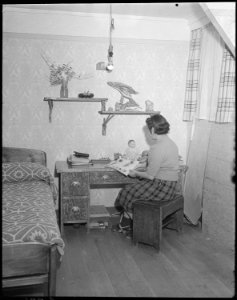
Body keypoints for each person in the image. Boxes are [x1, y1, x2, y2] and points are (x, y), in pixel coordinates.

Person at [113, 114, 179, 234]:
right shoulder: (171, 143)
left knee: (126, 191)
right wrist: (146, 165)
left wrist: (135, 173)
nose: (148, 133)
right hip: (171, 186)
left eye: (149, 130)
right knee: (135, 188)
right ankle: (130, 221)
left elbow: (150, 176)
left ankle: (129, 223)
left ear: (153, 130)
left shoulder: (156, 148)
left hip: (161, 187)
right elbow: (162, 165)